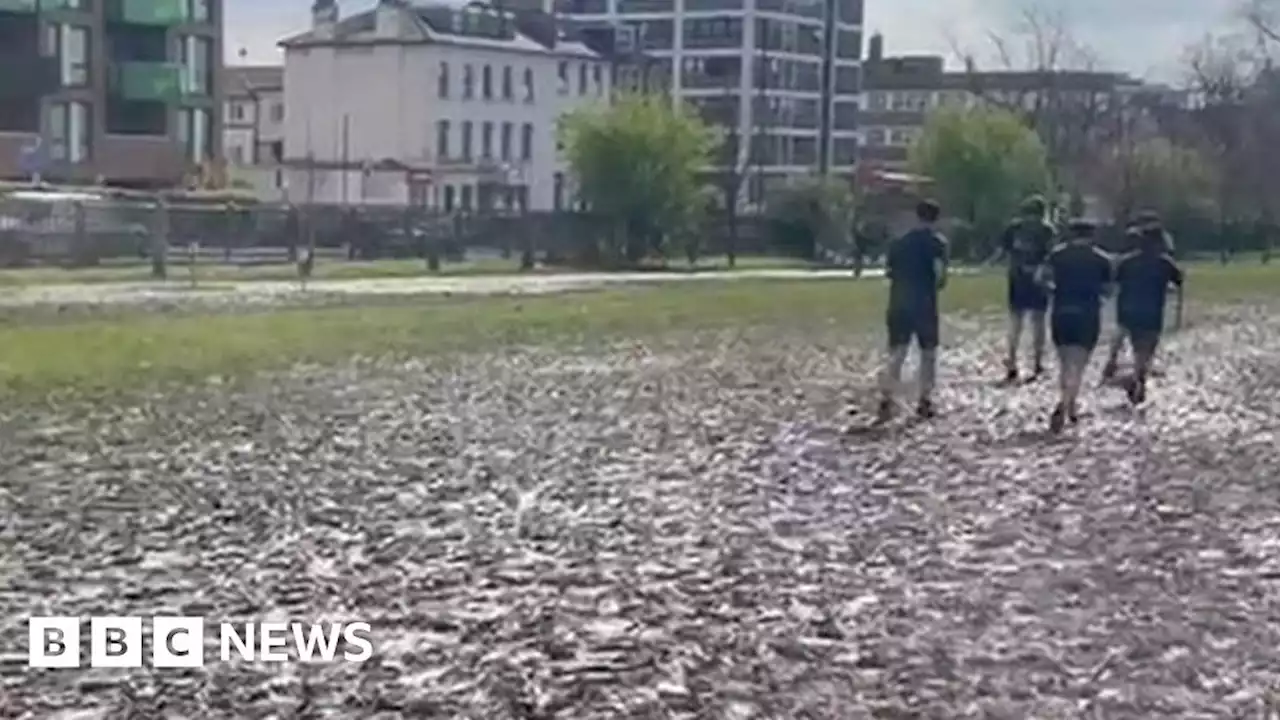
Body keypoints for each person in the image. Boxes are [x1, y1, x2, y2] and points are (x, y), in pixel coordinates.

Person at [877, 199, 949, 423]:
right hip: (924, 304)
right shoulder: (937, 242)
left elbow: (888, 271)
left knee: (897, 352)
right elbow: (939, 274)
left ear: (916, 216)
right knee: (928, 353)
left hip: (898, 302)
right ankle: (925, 400)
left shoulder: (899, 243)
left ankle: (886, 397)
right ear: (935, 219)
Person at [1039, 219, 1113, 433]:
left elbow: (1041, 278)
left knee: (1064, 363)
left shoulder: (1057, 255)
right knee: (1079, 365)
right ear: (1092, 235)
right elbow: (1108, 290)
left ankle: (1069, 403)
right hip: (1087, 314)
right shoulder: (1102, 259)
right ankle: (1066, 402)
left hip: (1062, 312)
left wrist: (1054, 291)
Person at [1113, 226, 1185, 405]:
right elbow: (1179, 281)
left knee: (1137, 348)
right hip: (1152, 312)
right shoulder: (1164, 262)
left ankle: (1137, 379)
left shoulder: (1127, 261)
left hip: (1130, 310)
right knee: (1146, 351)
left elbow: (1116, 281)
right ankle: (1139, 379)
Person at [997, 195, 1057, 383]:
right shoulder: (1048, 230)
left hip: (1017, 278)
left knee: (1016, 321)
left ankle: (1012, 362)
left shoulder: (1014, 228)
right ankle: (1037, 363)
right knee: (1038, 322)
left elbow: (1004, 252)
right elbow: (1051, 256)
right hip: (1038, 280)